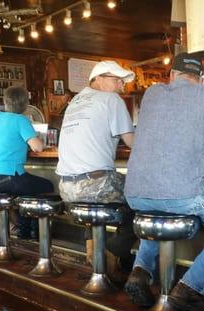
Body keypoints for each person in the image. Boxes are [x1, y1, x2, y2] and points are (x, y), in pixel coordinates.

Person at [123, 52, 204, 311]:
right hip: (181, 194)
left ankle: (140, 272)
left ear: (171, 75)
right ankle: (190, 288)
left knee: (160, 213)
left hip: (135, 194)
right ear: (200, 78)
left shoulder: (152, 94)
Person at [56, 60, 136, 275]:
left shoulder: (75, 101)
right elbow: (132, 143)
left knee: (98, 196)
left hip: (66, 189)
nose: (121, 86)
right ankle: (114, 250)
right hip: (95, 185)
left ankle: (93, 248)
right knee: (143, 196)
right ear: (97, 79)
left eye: (122, 82)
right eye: (117, 80)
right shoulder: (111, 100)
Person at [0, 86, 53, 239]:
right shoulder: (21, 120)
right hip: (8, 177)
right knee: (47, 186)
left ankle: (25, 231)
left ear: (5, 102)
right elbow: (38, 147)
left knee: (27, 190)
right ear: (25, 104)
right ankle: (34, 233)